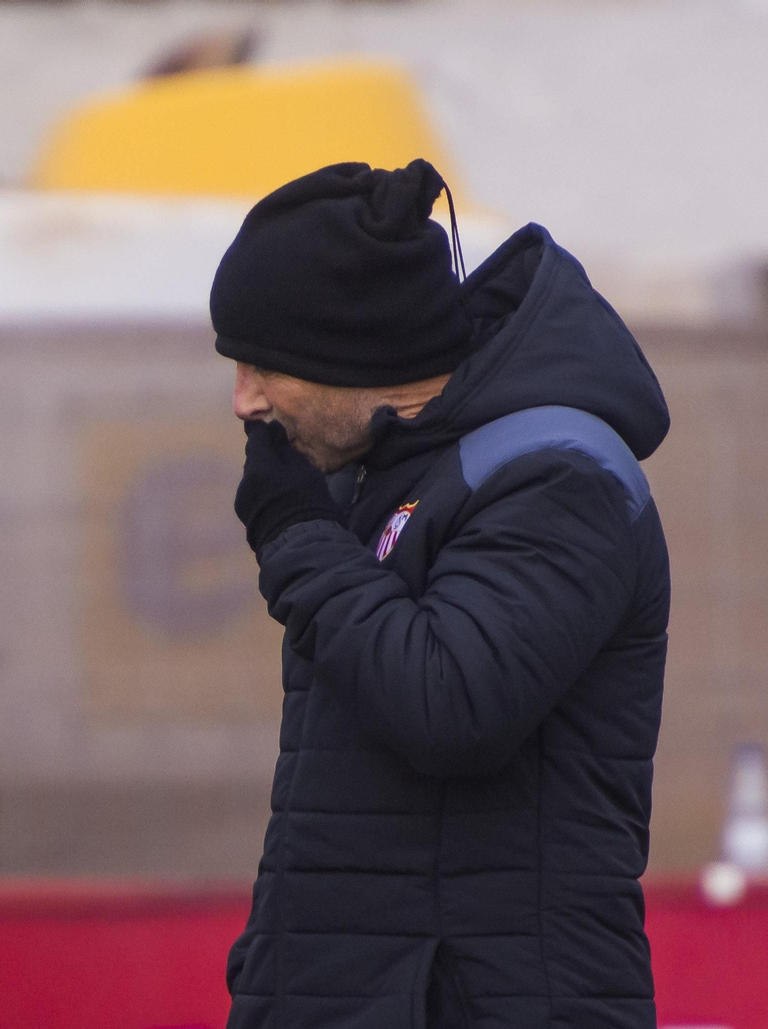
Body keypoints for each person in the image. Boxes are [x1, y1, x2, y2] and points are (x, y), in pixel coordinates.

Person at [213, 160, 669, 1028]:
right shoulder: (376, 468)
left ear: (352, 353)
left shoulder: (558, 474)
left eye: (262, 367)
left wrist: (297, 539)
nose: (244, 402)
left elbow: (450, 703)